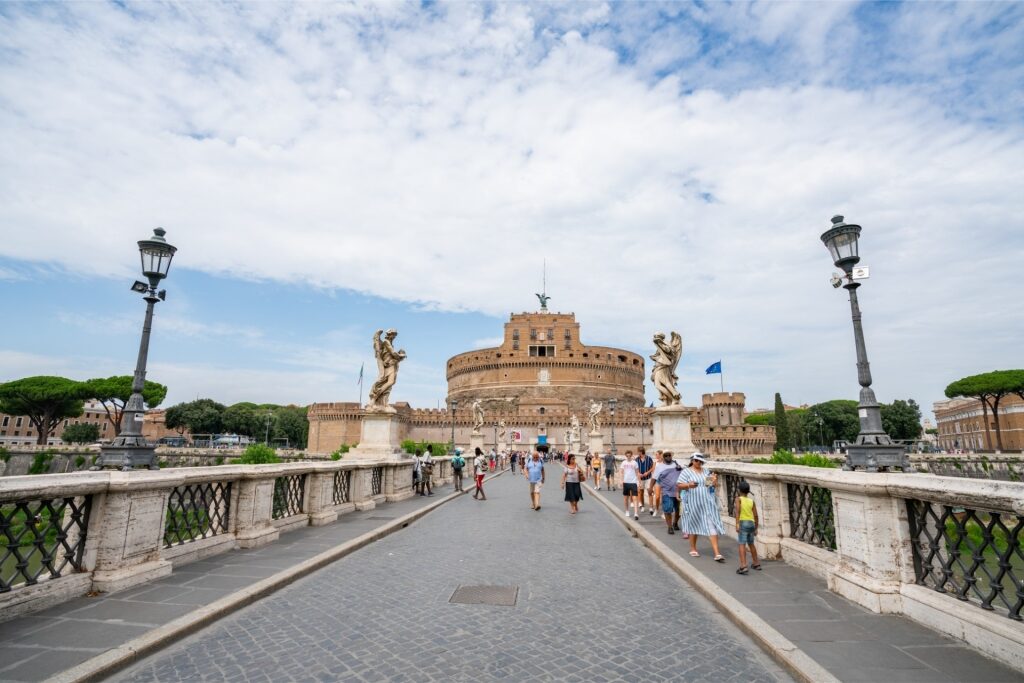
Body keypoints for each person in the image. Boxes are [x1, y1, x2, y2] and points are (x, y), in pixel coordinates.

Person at [678, 452, 726, 561]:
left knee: (711, 525)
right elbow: (679, 485)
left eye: (701, 461)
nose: (699, 462)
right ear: (692, 461)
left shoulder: (706, 471)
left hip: (707, 503)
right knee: (694, 525)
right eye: (696, 460)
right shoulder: (686, 472)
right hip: (693, 503)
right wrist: (688, 485)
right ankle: (693, 548)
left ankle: (717, 553)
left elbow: (708, 485)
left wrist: (714, 481)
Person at [734, 481, 761, 574]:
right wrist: (756, 528)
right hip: (751, 523)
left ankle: (743, 565)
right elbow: (756, 515)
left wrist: (737, 524)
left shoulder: (738, 499)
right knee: (751, 544)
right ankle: (756, 563)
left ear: (739, 490)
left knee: (742, 544)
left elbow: (737, 511)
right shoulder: (751, 501)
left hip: (743, 522)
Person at [655, 451, 683, 535]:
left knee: (679, 510)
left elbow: (684, 473)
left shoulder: (676, 464)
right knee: (668, 510)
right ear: (663, 457)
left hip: (678, 491)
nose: (668, 457)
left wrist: (680, 468)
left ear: (671, 456)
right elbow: (654, 478)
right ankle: (670, 527)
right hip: (666, 491)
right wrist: (650, 487)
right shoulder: (659, 467)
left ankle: (675, 523)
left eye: (669, 455)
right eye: (666, 455)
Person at [620, 450, 640, 520]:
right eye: (627, 456)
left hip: (633, 482)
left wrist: (638, 482)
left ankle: (636, 513)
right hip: (626, 482)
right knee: (626, 498)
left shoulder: (635, 463)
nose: (628, 457)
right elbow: (622, 472)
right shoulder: (623, 463)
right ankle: (627, 511)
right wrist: (621, 481)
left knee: (635, 498)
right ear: (626, 456)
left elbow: (637, 472)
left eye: (629, 455)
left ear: (631, 455)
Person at [636, 447, 654, 513]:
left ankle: (651, 507)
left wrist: (648, 472)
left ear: (641, 452)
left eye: (638, 452)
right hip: (640, 478)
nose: (638, 453)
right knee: (641, 492)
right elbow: (635, 468)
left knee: (650, 492)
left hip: (648, 478)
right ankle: (642, 506)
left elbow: (653, 467)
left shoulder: (649, 458)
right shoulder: (637, 459)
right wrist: (638, 473)